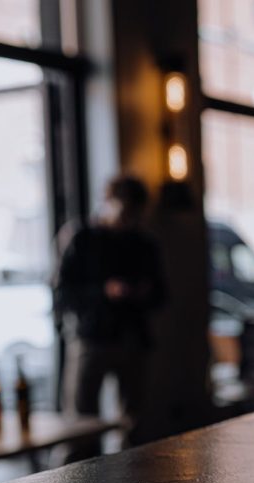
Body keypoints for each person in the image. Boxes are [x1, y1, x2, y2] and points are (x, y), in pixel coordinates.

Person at [54, 175, 166, 460]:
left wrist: (142, 293)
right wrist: (105, 292)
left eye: (134, 213)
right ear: (108, 202)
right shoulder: (81, 239)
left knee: (134, 424)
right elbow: (63, 294)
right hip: (91, 338)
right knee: (80, 424)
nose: (129, 219)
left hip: (133, 338)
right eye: (125, 211)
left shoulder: (143, 243)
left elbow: (162, 294)